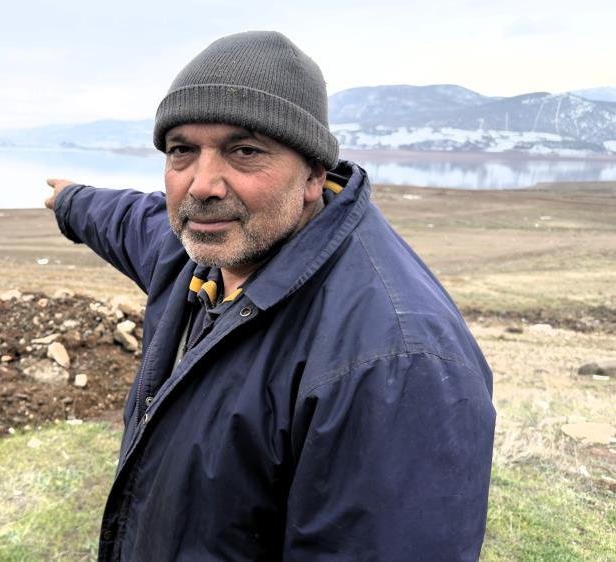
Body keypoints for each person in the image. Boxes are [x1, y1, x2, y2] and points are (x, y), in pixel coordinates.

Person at [44, 31, 495, 561]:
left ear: (313, 175)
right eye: (182, 150)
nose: (202, 185)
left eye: (245, 151)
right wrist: (70, 201)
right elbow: (125, 219)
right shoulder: (200, 255)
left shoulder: (394, 362)